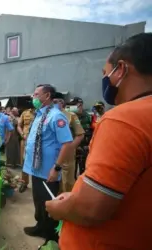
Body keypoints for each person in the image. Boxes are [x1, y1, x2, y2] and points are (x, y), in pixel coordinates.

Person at [46, 33, 152, 250]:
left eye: (106, 73)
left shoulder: (125, 119)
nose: (104, 80)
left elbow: (90, 209)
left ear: (121, 69)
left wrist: (60, 209)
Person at [22, 84, 73, 247]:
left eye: (36, 94)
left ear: (47, 96)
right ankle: (40, 227)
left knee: (49, 203)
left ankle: (51, 236)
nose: (33, 97)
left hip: (48, 170)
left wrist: (56, 168)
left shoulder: (56, 116)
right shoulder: (39, 115)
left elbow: (67, 143)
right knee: (38, 200)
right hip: (35, 168)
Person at [53, 93, 84, 192]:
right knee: (53, 179)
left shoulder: (71, 116)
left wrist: (71, 148)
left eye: (54, 102)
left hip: (67, 153)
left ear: (61, 103)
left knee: (67, 180)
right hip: (52, 152)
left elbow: (80, 134)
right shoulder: (48, 115)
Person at [17, 98, 35, 192]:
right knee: (24, 162)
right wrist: (22, 134)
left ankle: (38, 184)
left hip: (37, 142)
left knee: (37, 161)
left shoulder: (43, 113)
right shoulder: (25, 113)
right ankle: (24, 182)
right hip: (25, 140)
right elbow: (19, 125)